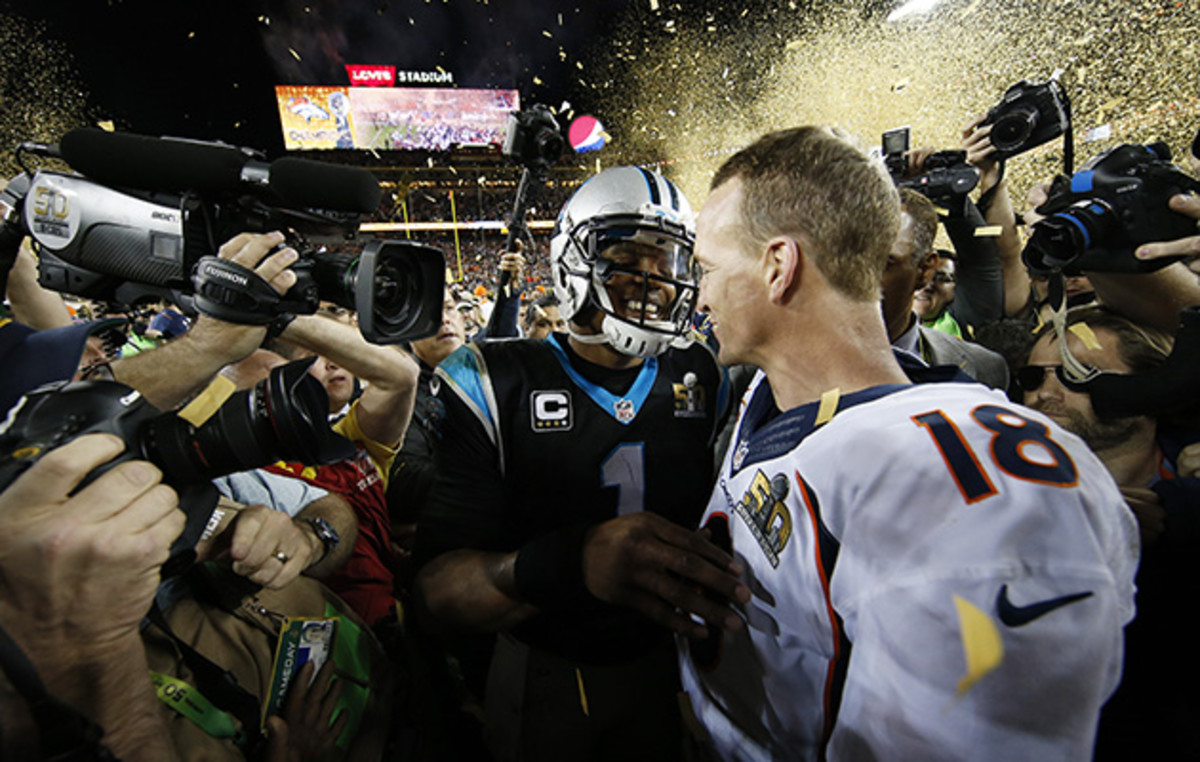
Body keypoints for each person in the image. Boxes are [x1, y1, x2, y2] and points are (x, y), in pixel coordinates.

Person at [680, 125, 1137, 761]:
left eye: (706, 268)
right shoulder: (772, 390)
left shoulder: (956, 474)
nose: (699, 293)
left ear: (777, 267)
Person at [414, 166, 747, 762]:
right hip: (548, 663)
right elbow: (439, 594)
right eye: (627, 256)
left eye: (667, 262)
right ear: (573, 262)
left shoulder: (703, 373)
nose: (652, 279)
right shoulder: (491, 379)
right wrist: (569, 562)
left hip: (675, 660)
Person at [884, 189, 1009, 389]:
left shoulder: (983, 367)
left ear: (924, 270)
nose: (858, 277)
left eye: (883, 263)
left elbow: (982, 259)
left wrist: (952, 190)